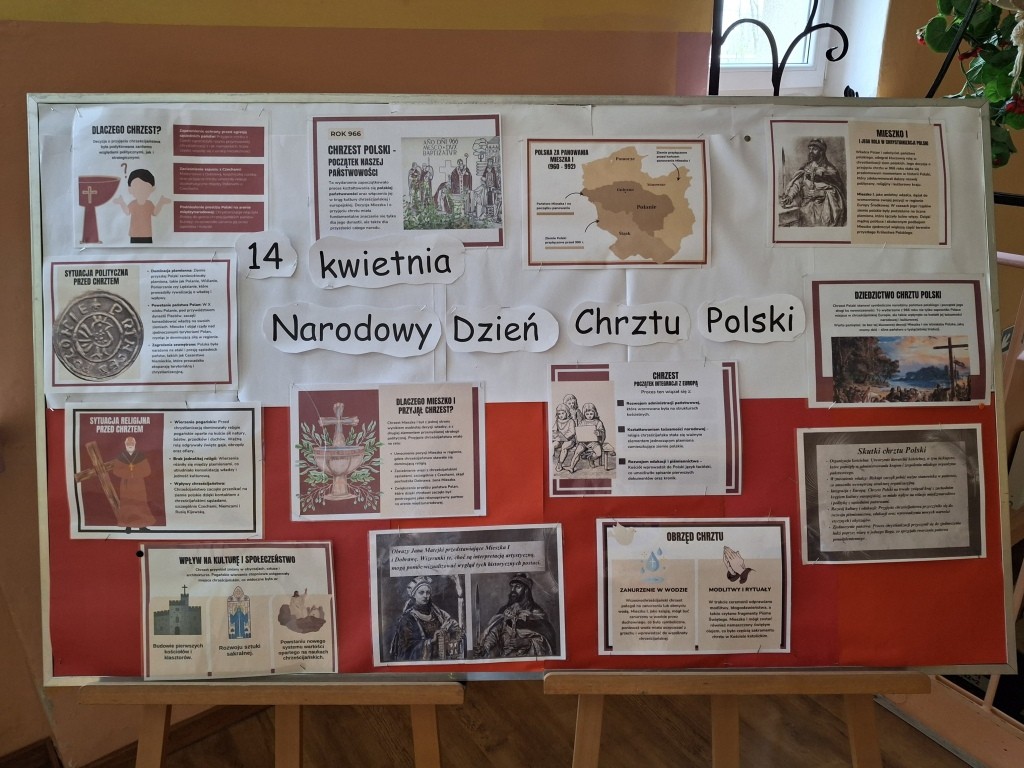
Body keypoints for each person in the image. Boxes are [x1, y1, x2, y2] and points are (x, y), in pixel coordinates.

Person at [475, 573, 556, 658]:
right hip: (505, 656)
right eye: (512, 587)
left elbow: (547, 641)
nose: (513, 590)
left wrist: (526, 642)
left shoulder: (537, 613)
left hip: (527, 658)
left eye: (518, 587)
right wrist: (486, 647)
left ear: (526, 590)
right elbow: (495, 632)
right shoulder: (505, 611)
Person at [388, 576, 462, 661]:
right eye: (421, 593)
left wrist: (452, 630)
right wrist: (431, 641)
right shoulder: (407, 619)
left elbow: (450, 623)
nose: (425, 596)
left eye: (428, 592)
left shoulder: (437, 613)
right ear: (414, 595)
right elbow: (406, 650)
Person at [779, 138, 846, 227]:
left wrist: (820, 193)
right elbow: (797, 183)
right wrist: (790, 196)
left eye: (814, 149)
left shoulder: (831, 171)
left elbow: (838, 193)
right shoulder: (806, 167)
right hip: (806, 209)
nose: (811, 152)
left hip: (824, 212)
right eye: (810, 149)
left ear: (821, 152)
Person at [112, 168, 171, 243]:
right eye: (136, 187)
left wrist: (161, 202)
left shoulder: (149, 204)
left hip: (147, 234)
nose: (140, 190)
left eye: (144, 188)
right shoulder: (133, 204)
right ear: (130, 190)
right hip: (134, 234)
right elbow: (127, 212)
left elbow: (155, 213)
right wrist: (122, 203)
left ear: (152, 189)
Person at [110, 436, 156, 531]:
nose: (130, 445)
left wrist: (134, 473)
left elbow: (147, 470)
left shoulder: (141, 456)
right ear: (125, 444)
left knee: (140, 504)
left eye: (132, 443)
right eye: (128, 443)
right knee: (127, 504)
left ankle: (142, 526)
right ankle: (128, 526)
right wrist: (128, 473)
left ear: (135, 444)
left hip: (139, 485)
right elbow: (116, 471)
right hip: (126, 485)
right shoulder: (121, 457)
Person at [569, 402, 606, 472]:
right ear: (584, 414)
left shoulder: (598, 422)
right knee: (577, 453)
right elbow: (578, 431)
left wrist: (599, 432)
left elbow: (602, 432)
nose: (589, 416)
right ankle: (571, 467)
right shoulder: (582, 422)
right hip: (583, 442)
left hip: (594, 442)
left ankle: (590, 458)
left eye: (591, 414)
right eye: (587, 414)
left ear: (595, 413)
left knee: (599, 453)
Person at [551, 403, 576, 472]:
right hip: (560, 439)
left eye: (562, 413)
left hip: (570, 440)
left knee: (564, 447)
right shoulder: (557, 421)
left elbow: (572, 432)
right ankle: (549, 460)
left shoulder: (571, 421)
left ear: (567, 413)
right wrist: (555, 435)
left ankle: (560, 463)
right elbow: (553, 430)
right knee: (553, 445)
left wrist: (564, 437)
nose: (561, 415)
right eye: (559, 414)